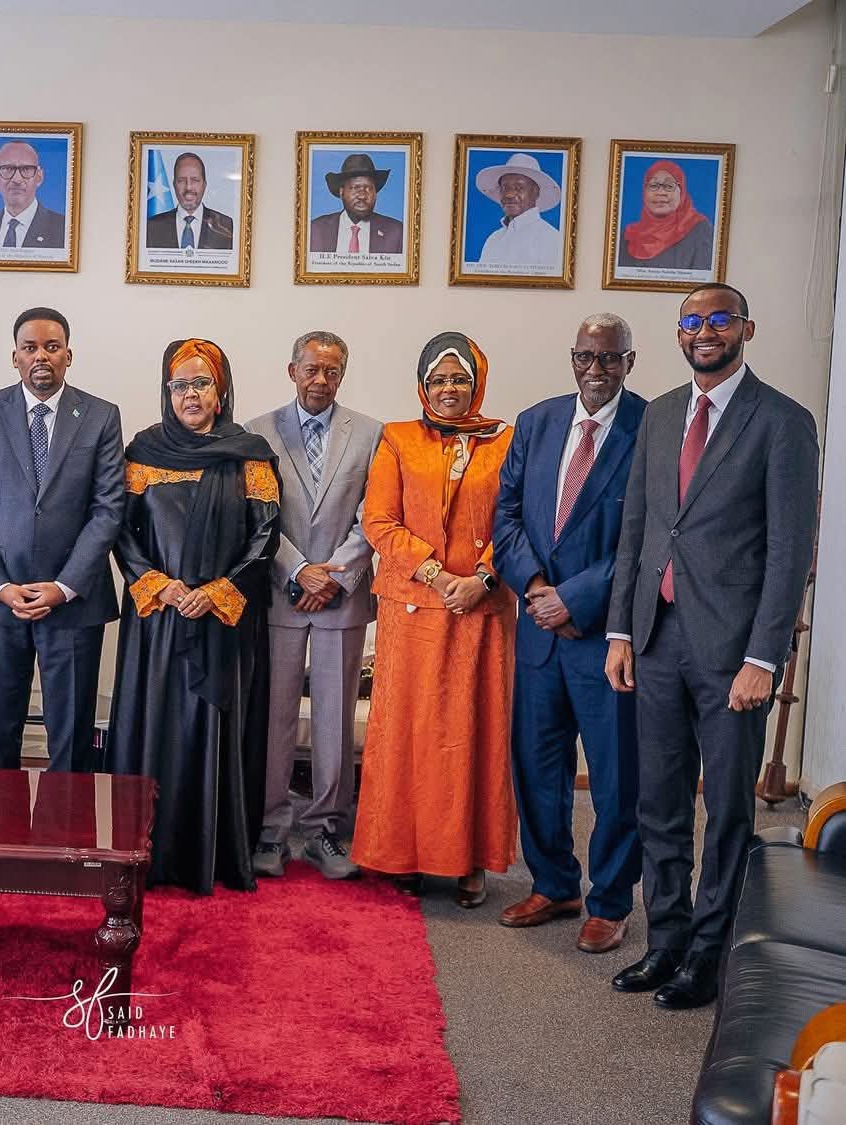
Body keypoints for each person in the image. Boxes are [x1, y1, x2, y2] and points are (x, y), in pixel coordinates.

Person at [607, 284, 818, 1009]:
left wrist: (764, 658)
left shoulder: (783, 422)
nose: (704, 331)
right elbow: (638, 530)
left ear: (745, 329)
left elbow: (789, 551)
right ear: (679, 334)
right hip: (657, 638)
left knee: (726, 809)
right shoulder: (661, 413)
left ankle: (707, 953)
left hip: (734, 654)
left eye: (719, 319)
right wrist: (621, 631)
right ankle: (665, 940)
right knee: (659, 802)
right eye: (692, 321)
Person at [493, 314, 647, 954]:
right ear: (573, 357)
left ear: (629, 362)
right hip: (537, 633)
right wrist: (534, 588)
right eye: (586, 356)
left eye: (609, 358)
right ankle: (554, 884)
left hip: (605, 637)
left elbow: (647, 538)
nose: (596, 369)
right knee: (537, 768)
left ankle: (610, 902)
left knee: (615, 779)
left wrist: (573, 598)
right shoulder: (537, 422)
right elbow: (505, 515)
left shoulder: (650, 426)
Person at [350, 332, 517, 906]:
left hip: (482, 610)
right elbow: (380, 520)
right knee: (408, 733)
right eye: (439, 379)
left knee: (473, 732)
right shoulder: (398, 439)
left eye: (460, 379)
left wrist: (482, 579)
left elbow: (517, 520)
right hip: (413, 609)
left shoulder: (506, 441)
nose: (449, 389)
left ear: (478, 382)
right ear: (423, 385)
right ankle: (404, 853)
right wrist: (437, 575)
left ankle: (470, 859)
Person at [109, 339, 280, 894]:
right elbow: (121, 532)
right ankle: (147, 853)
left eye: (201, 383)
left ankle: (211, 853)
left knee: (213, 730)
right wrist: (159, 585)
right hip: (158, 620)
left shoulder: (248, 454)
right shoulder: (143, 451)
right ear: (167, 391)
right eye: (180, 384)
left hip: (222, 621)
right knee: (155, 726)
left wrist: (218, 592)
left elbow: (265, 536)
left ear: (220, 390)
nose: (190, 394)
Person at [0, 307, 124, 772]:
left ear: (69, 354)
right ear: (15, 357)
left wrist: (64, 586)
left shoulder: (101, 416)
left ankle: (65, 822)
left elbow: (108, 509)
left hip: (72, 601)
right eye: (30, 348)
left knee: (71, 737)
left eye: (52, 347)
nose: (41, 356)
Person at [244, 331, 382, 879]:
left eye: (332, 371)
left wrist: (334, 575)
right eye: (311, 369)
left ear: (342, 375)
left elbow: (375, 514)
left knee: (335, 718)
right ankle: (271, 829)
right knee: (274, 716)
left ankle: (327, 830)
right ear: (292, 371)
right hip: (280, 594)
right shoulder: (256, 432)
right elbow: (257, 514)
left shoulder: (371, 433)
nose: (321, 380)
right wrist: (299, 569)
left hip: (341, 598)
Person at [617, 160, 715, 272]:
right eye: (653, 185)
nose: (661, 192)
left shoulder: (700, 229)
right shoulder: (628, 236)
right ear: (644, 192)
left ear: (682, 192)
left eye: (669, 186)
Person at [0, 140, 66, 248]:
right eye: (8, 169)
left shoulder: (64, 230)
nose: (17, 179)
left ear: (39, 177)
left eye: (26, 169)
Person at [475, 152, 563, 269]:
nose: (509, 194)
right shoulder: (493, 240)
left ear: (536, 192)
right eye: (504, 188)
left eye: (519, 187)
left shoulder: (552, 240)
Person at [307, 154, 404, 255]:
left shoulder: (396, 233)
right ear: (342, 192)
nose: (362, 196)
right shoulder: (316, 230)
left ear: (375, 193)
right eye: (355, 188)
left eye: (368, 188)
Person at [146, 152, 234, 250]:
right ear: (174, 185)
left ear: (204, 185)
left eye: (195, 180)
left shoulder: (225, 225)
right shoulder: (152, 226)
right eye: (181, 180)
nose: (188, 187)